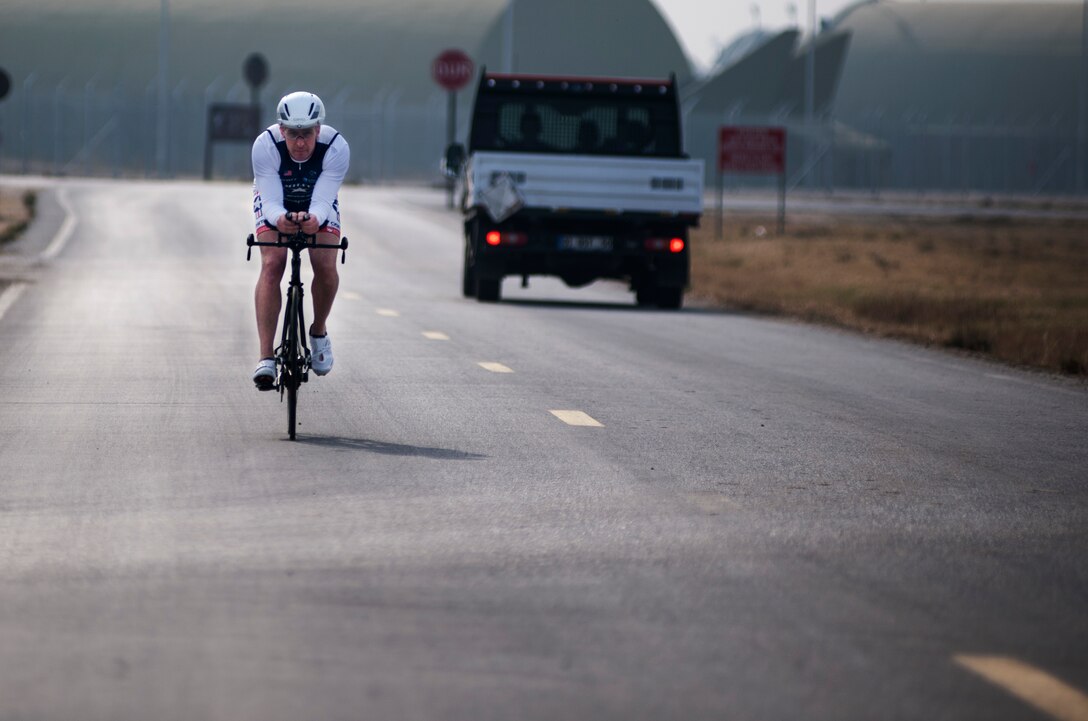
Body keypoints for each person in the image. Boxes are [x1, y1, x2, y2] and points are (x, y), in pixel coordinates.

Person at [250, 91, 350, 390]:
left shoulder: (336, 147)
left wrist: (315, 219)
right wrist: (279, 218)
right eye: (293, 134)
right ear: (282, 130)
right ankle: (266, 357)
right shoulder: (265, 146)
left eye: (307, 134)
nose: (301, 142)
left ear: (318, 129)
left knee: (324, 263)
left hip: (316, 200)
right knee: (272, 264)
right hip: (276, 199)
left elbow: (323, 199)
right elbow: (269, 200)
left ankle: (318, 332)